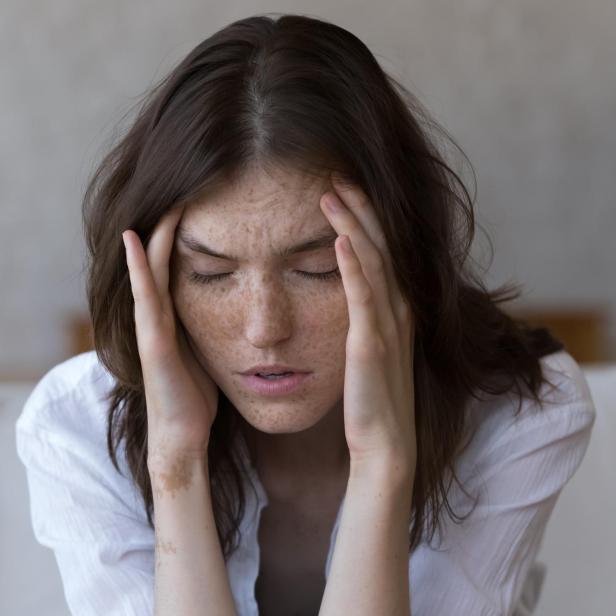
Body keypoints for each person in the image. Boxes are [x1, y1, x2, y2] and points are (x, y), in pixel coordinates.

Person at [15, 12, 596, 616]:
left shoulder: (521, 413)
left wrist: (381, 464)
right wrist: (177, 466)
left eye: (318, 269)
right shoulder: (76, 426)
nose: (265, 329)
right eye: (211, 275)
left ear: (402, 255)